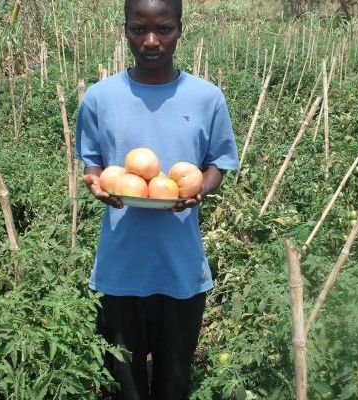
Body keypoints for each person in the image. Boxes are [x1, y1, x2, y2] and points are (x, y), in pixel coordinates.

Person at [75, 0, 239, 398]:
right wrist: (95, 184)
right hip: (120, 269)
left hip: (180, 270)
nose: (150, 41)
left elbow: (218, 162)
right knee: (123, 384)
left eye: (163, 29)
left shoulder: (207, 98)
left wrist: (202, 187)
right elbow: (94, 166)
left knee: (174, 383)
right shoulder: (99, 98)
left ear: (180, 28)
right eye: (138, 29)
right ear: (125, 29)